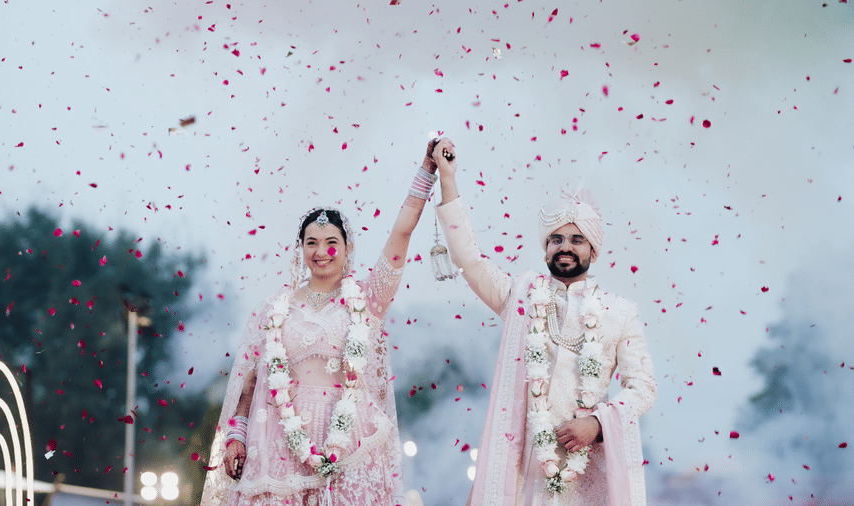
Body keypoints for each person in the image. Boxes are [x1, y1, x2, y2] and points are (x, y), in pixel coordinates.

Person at [200, 140, 443, 506]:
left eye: (331, 242)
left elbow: (401, 234)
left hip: (348, 438)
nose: (320, 251)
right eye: (311, 242)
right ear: (301, 251)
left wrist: (427, 171)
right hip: (278, 438)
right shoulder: (274, 307)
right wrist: (237, 433)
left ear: (347, 250)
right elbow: (251, 377)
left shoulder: (366, 301)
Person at [429, 138, 657, 506]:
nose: (565, 246)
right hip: (518, 471)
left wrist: (596, 425)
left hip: (584, 476)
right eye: (556, 239)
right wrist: (449, 177)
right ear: (545, 248)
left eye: (577, 239)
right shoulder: (519, 297)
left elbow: (643, 387)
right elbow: (468, 260)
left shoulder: (620, 313)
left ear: (593, 250)